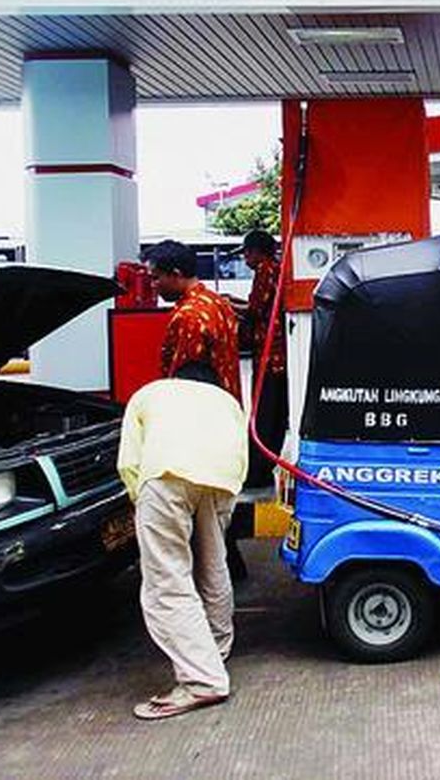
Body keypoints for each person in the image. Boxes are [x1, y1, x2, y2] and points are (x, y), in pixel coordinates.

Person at [117, 360, 248, 720]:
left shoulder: (150, 394)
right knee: (214, 564)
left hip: (165, 475)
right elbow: (240, 456)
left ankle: (202, 680)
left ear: (174, 379)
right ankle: (216, 647)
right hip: (220, 479)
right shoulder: (227, 402)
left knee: (167, 582)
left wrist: (140, 501)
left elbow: (129, 462)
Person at [142, 240, 242, 402]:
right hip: (227, 405)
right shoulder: (217, 301)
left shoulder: (190, 316)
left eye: (156, 278)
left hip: (202, 411)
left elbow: (185, 381)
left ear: (176, 274)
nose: (153, 285)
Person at [236, 229, 289, 488]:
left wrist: (228, 306)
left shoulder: (265, 270)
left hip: (271, 354)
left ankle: (256, 472)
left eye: (247, 252)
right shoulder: (277, 268)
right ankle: (264, 467)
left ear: (256, 252)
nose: (245, 258)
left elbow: (256, 309)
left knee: (265, 413)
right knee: (275, 414)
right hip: (279, 355)